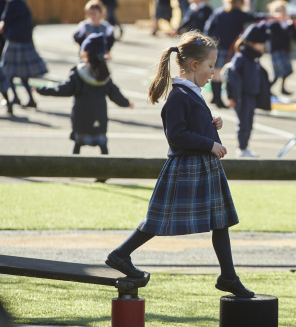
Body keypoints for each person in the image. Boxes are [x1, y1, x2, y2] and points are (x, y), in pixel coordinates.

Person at [105, 30, 254, 298]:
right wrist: (209, 144)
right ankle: (120, 255)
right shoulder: (178, 96)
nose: (213, 72)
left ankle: (228, 276)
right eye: (210, 66)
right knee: (157, 221)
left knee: (220, 221)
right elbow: (176, 135)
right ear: (194, 66)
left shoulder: (191, 93)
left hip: (203, 168)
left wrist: (211, 126)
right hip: (186, 169)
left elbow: (190, 128)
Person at [35, 33, 133, 155]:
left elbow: (64, 89)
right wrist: (126, 103)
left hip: (81, 119)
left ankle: (73, 169)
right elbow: (115, 94)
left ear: (86, 53)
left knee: (78, 144)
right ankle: (106, 170)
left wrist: (42, 89)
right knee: (102, 144)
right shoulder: (104, 74)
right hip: (99, 119)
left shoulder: (79, 73)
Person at [203, 0, 268, 108]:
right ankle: (222, 99)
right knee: (226, 72)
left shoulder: (219, 12)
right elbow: (255, 17)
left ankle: (216, 97)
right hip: (229, 48)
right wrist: (272, 16)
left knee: (216, 72)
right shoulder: (238, 13)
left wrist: (208, 42)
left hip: (216, 46)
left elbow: (208, 27)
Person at [226, 21, 271, 158]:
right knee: (243, 124)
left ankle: (245, 147)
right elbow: (230, 77)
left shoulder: (254, 59)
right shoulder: (241, 58)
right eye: (261, 44)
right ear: (252, 43)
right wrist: (231, 96)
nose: (263, 47)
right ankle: (242, 148)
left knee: (249, 124)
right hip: (242, 96)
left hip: (252, 96)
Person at [0, 0, 48, 110]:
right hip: (26, 41)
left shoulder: (12, 4)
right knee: (23, 74)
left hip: (14, 42)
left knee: (7, 71)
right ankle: (30, 99)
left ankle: (15, 97)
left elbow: (6, 21)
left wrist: (2, 27)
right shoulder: (22, 4)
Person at [266, 0, 296, 95]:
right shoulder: (272, 23)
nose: (281, 12)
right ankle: (267, 88)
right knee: (279, 72)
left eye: (283, 10)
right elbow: (267, 33)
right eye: (278, 10)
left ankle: (281, 88)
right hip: (275, 50)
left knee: (288, 70)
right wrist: (276, 20)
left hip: (285, 50)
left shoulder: (289, 23)